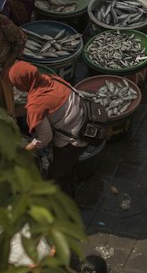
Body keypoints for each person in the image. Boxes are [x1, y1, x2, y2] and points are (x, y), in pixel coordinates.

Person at [8, 61, 88, 199]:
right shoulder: (49, 79)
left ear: (22, 84)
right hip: (84, 121)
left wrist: (24, 152)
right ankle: (71, 176)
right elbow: (42, 106)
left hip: (73, 139)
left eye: (16, 84)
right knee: (68, 166)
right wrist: (13, 113)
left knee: (57, 176)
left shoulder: (36, 104)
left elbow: (45, 138)